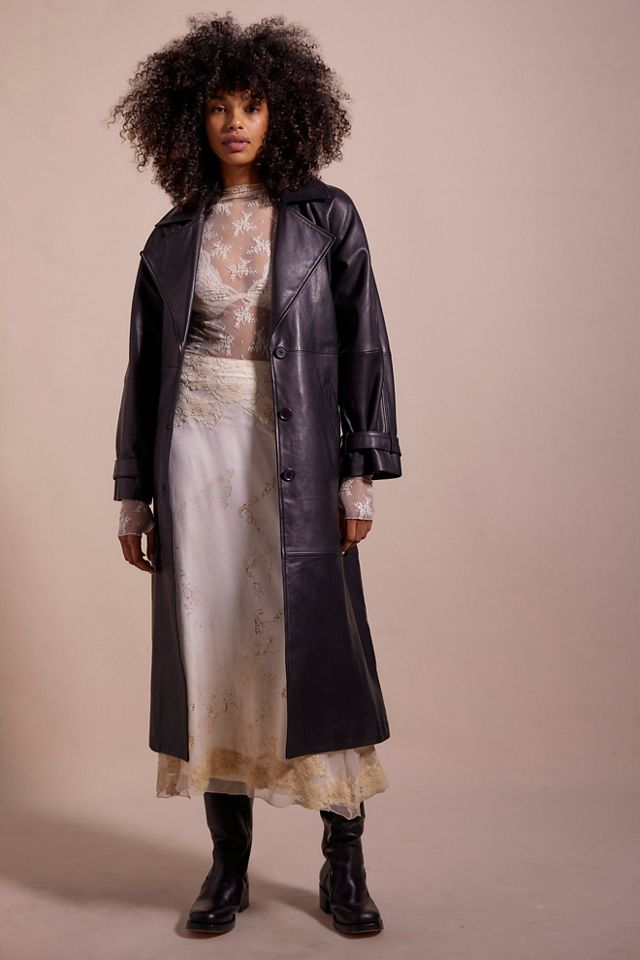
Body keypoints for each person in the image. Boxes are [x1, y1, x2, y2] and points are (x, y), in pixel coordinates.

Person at [108, 12, 402, 937]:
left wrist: (361, 470)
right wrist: (133, 492)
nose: (235, 122)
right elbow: (143, 369)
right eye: (218, 108)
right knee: (214, 642)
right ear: (190, 120)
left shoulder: (328, 216)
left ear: (285, 114)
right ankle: (226, 864)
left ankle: (344, 860)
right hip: (193, 451)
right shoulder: (171, 233)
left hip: (296, 449)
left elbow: (365, 343)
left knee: (315, 647)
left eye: (253, 105)